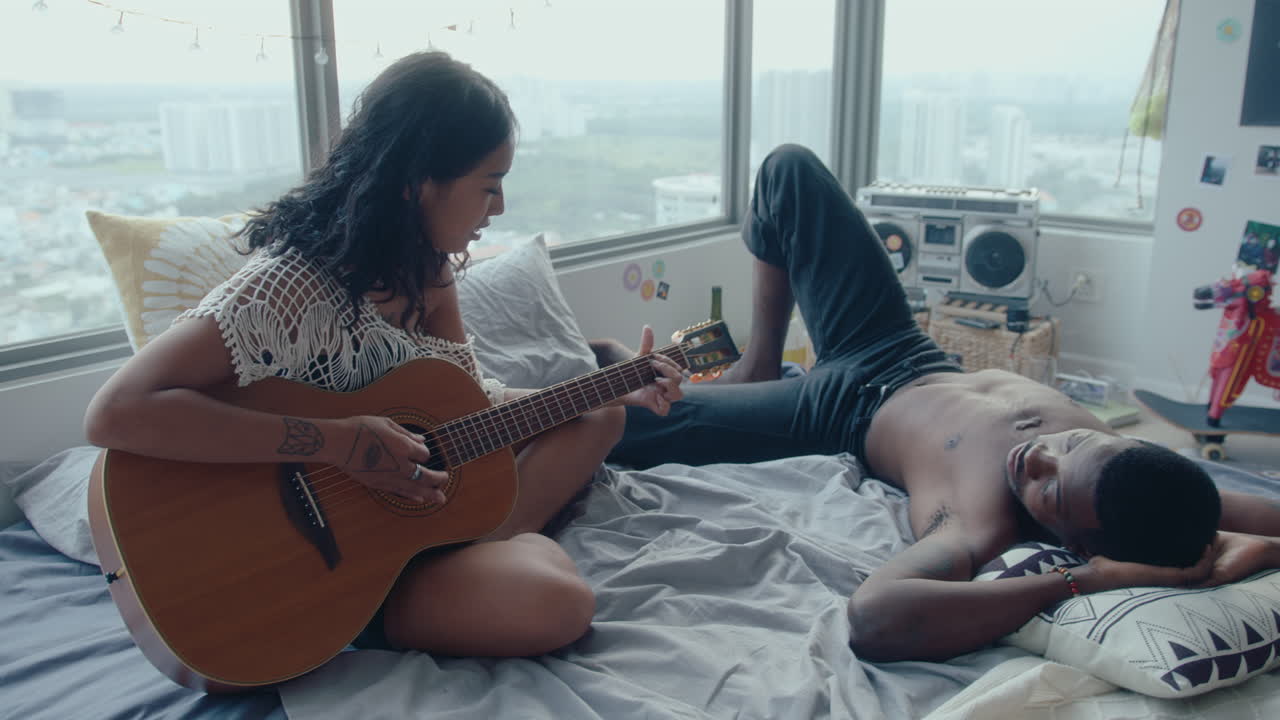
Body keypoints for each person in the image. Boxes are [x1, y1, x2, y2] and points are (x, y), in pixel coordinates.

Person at [82, 51, 683, 659]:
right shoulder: (291, 285)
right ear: (419, 181)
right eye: (488, 185)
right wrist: (337, 442)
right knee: (559, 603)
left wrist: (615, 385)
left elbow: (469, 404)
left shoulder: (430, 274)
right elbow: (114, 412)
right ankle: (409, 588)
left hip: (414, 523)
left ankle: (474, 547)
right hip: (330, 558)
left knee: (601, 416)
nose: (499, 207)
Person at [592, 144, 1280, 662]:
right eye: (1069, 444)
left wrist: (1089, 581)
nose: (1035, 456)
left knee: (614, 415)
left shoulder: (981, 525)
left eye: (1049, 490)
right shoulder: (1147, 478)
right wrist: (1243, 552)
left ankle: (725, 389)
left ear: (1078, 542)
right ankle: (760, 363)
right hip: (901, 346)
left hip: (842, 410)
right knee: (788, 170)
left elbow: (875, 616)